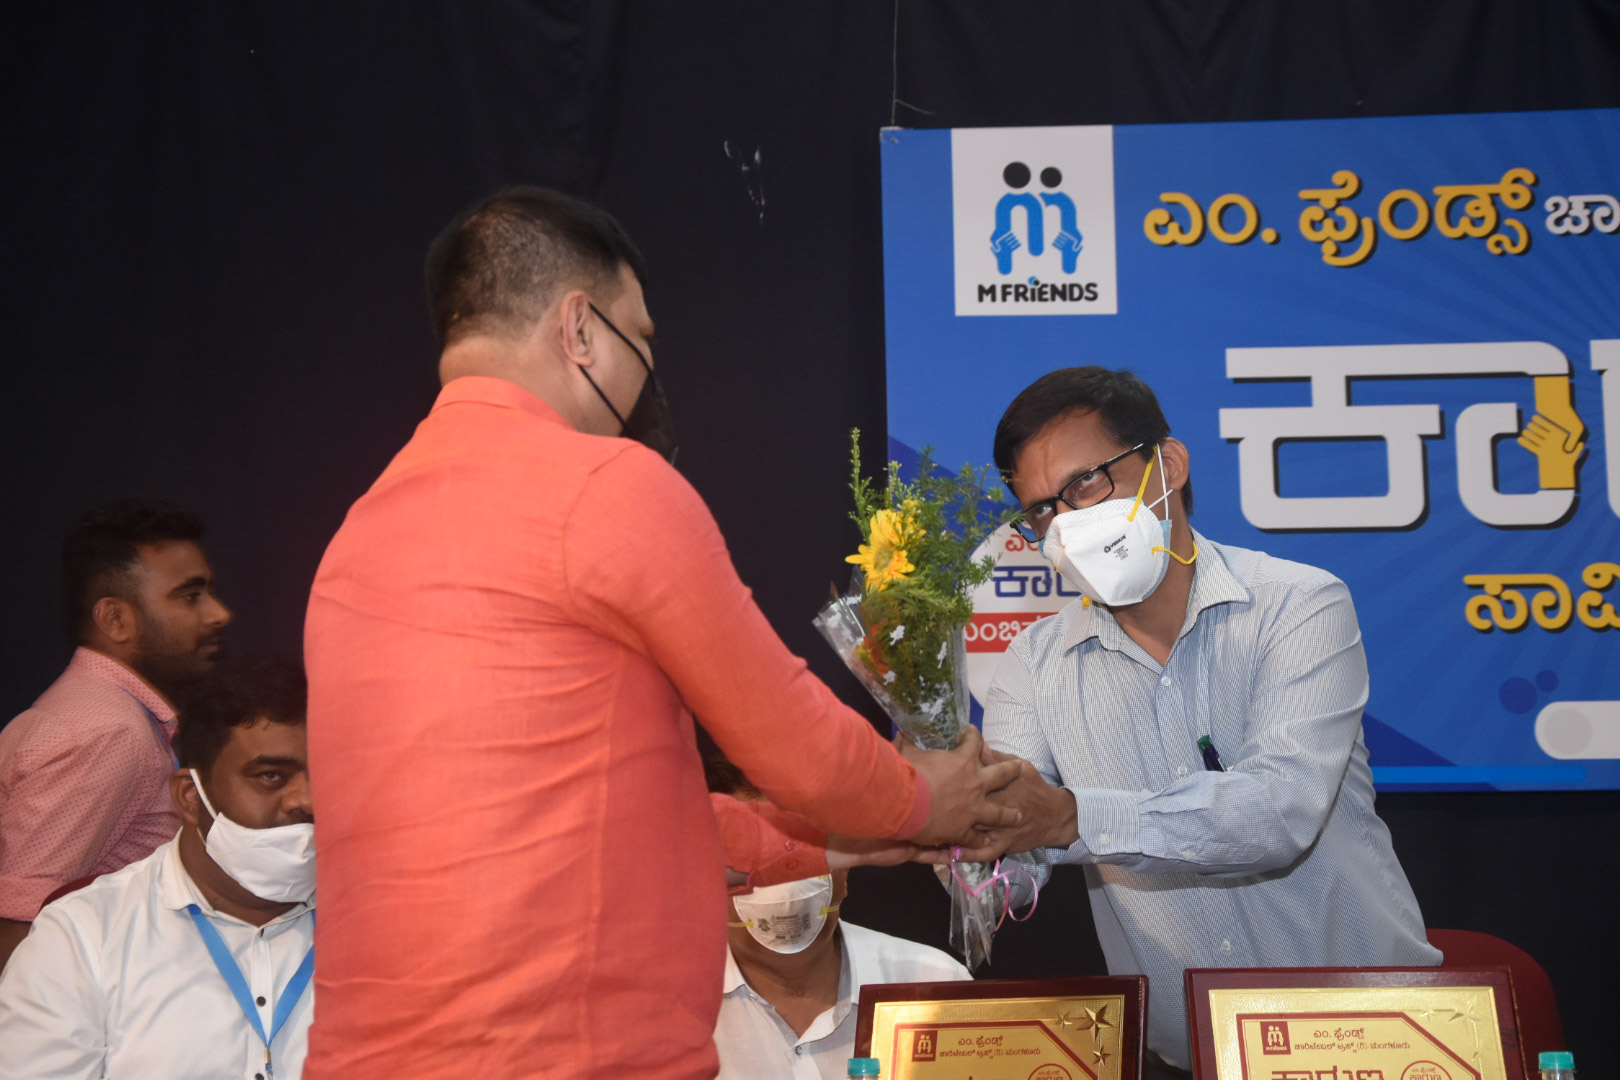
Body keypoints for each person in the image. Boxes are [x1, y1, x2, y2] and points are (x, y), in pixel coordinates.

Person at [302, 186, 1020, 1080]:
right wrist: (924, 800)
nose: (646, 372)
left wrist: (842, 842)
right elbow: (795, 745)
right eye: (641, 338)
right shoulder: (606, 487)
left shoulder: (355, 541)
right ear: (580, 329)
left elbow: (577, 817)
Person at [953, 366, 1438, 1075]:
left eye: (1085, 483)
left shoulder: (1298, 605)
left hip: (1370, 1039)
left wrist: (1070, 817)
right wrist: (961, 834)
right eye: (1043, 510)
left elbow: (1279, 812)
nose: (1067, 523)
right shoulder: (1032, 663)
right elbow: (1010, 876)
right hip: (1186, 1058)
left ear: (1168, 466)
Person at [0, 656, 315, 1080]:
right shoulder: (84, 938)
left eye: (325, 775)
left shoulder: (378, 926)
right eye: (271, 776)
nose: (306, 801)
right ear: (190, 796)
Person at [0, 498, 232, 971]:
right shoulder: (108, 733)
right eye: (190, 596)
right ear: (115, 620)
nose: (219, 614)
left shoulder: (108, 714)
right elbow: (20, 931)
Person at [707, 761, 971, 1080]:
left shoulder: (937, 988)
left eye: (802, 849)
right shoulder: (668, 1006)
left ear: (845, 870)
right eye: (755, 850)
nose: (784, 880)